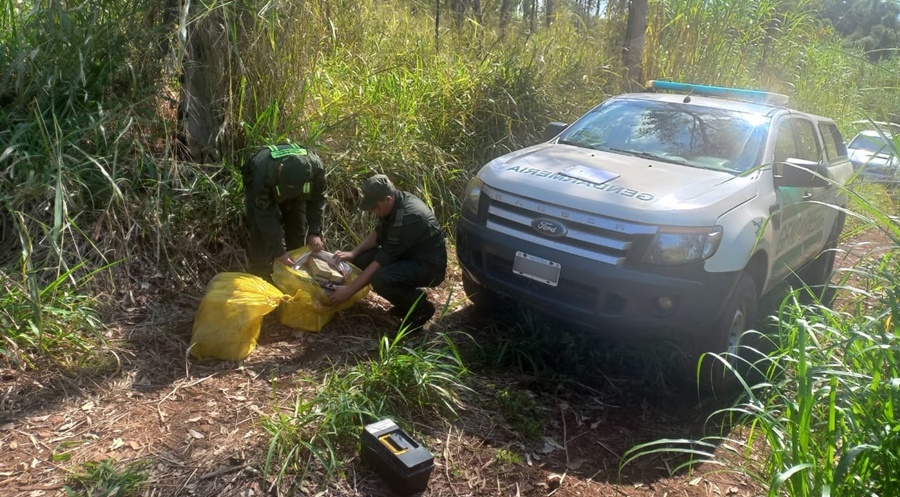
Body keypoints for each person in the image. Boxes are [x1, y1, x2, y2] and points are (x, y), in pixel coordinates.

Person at [329, 174, 446, 329]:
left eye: (374, 207)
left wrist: (349, 291)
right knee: (362, 259)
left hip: (429, 266)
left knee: (381, 279)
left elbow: (383, 258)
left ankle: (421, 309)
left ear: (388, 199)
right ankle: (406, 300)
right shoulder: (393, 203)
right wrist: (353, 253)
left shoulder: (410, 217)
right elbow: (379, 233)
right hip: (407, 255)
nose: (373, 211)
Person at [242, 143, 327, 277]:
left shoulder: (316, 169)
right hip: (264, 183)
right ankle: (260, 272)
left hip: (296, 191)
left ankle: (294, 270)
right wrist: (279, 251)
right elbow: (265, 216)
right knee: (260, 233)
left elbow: (318, 200)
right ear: (280, 168)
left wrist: (315, 232)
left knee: (297, 227)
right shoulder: (261, 172)